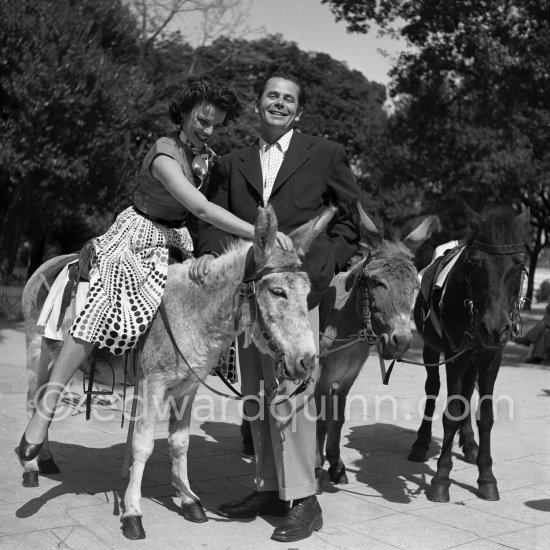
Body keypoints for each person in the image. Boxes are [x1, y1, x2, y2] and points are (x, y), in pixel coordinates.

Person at [18, 75, 292, 462]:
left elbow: (205, 216)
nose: (207, 130)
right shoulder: (164, 152)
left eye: (215, 124)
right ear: (182, 114)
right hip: (137, 234)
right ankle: (45, 411)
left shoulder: (209, 159)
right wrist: (262, 233)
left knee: (202, 308)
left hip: (178, 241)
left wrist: (214, 253)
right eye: (201, 120)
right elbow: (200, 208)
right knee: (102, 300)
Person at [190, 68, 360, 543]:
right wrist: (206, 252)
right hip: (248, 296)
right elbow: (208, 217)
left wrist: (322, 269)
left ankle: (305, 499)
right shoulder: (231, 162)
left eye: (288, 99)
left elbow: (350, 223)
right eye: (272, 96)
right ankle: (269, 486)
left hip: (294, 294)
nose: (279, 103)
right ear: (259, 102)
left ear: (298, 110)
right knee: (257, 393)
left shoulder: (326, 154)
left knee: (293, 390)